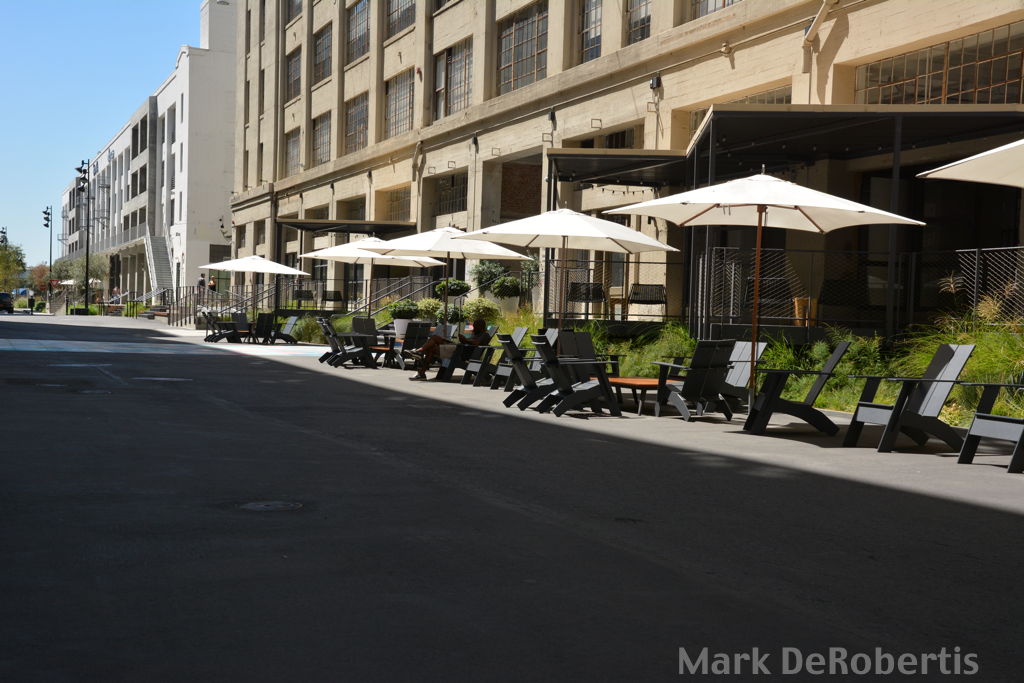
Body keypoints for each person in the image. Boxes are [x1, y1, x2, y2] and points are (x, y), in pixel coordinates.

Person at [408, 319, 489, 381]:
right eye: (474, 325)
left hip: (460, 353)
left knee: (432, 346)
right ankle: (419, 356)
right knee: (434, 339)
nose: (474, 327)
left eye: (476, 326)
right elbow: (470, 343)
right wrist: (463, 340)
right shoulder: (476, 334)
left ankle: (419, 354)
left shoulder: (485, 335)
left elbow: (476, 343)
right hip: (458, 349)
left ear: (481, 327)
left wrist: (465, 340)